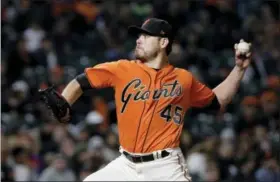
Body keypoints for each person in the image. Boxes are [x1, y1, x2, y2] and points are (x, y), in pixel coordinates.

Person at [40, 18, 252, 181]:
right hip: (126, 164)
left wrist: (239, 69)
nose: (138, 39)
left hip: (165, 167)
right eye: (138, 35)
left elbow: (217, 101)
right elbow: (82, 81)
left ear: (163, 42)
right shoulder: (123, 69)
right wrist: (66, 103)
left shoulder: (183, 79)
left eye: (146, 36)